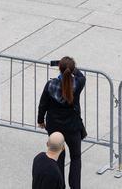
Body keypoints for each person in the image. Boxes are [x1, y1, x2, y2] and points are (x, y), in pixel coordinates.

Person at [37, 57, 86, 189]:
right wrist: (70, 67)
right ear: (72, 70)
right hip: (72, 127)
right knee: (76, 158)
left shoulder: (50, 85)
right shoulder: (78, 84)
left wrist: (40, 120)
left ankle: (60, 186)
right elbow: (81, 75)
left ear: (60, 69)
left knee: (59, 157)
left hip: (55, 126)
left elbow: (43, 104)